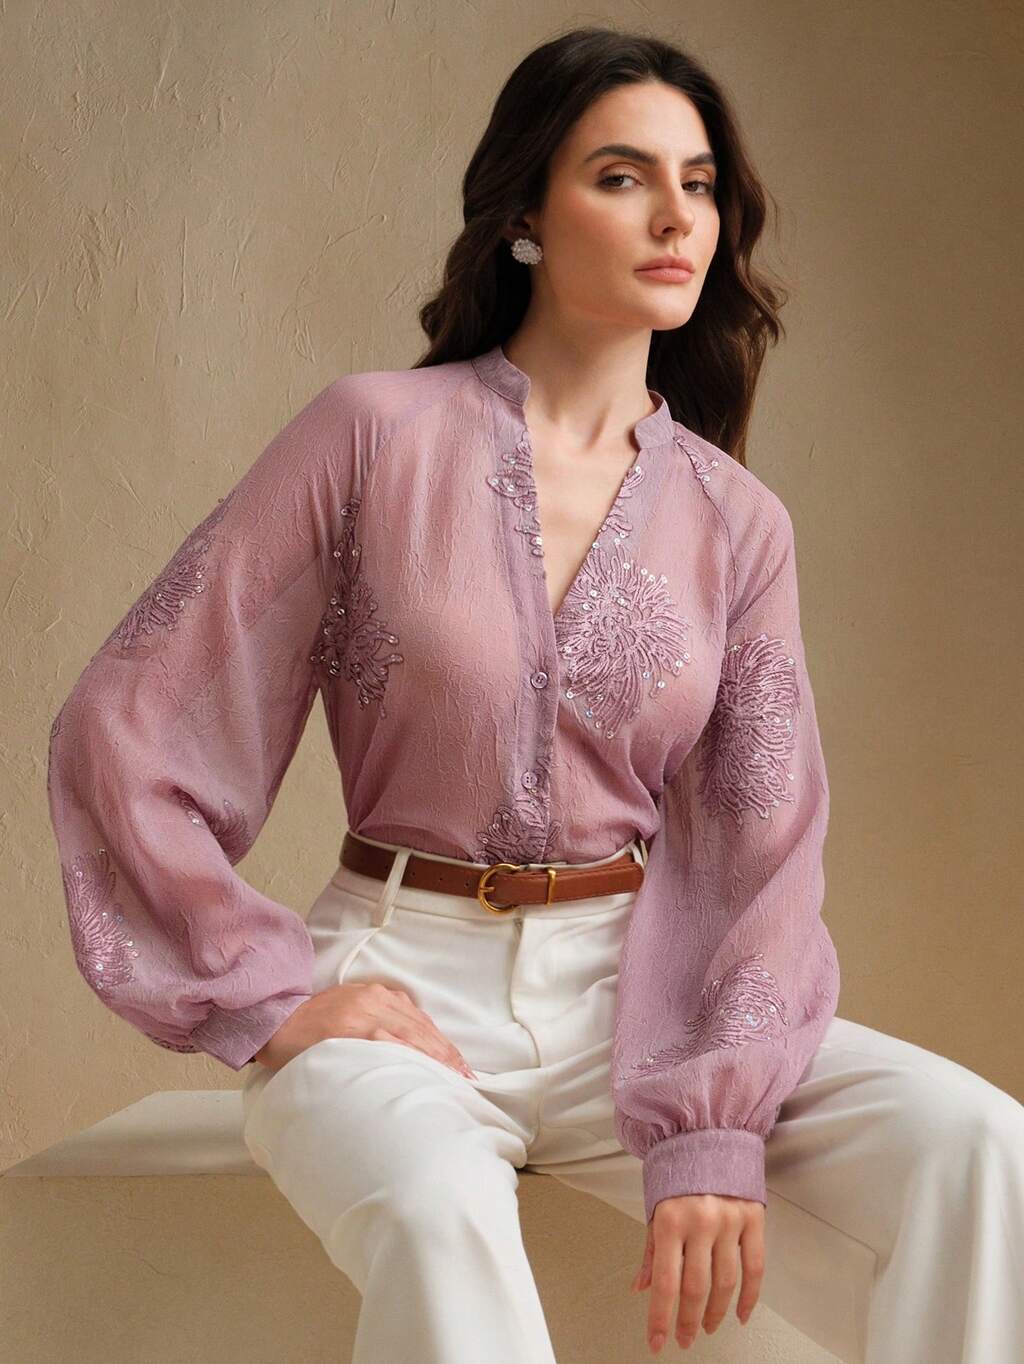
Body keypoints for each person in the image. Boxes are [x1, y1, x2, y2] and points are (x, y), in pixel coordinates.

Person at [45, 25, 1023, 1364]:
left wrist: (712, 1123)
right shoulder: (373, 436)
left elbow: (760, 841)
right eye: (623, 177)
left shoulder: (736, 521)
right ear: (522, 214)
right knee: (439, 1213)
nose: (677, 216)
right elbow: (131, 721)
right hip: (399, 979)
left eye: (699, 183)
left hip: (645, 993)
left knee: (981, 1146)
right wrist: (268, 997)